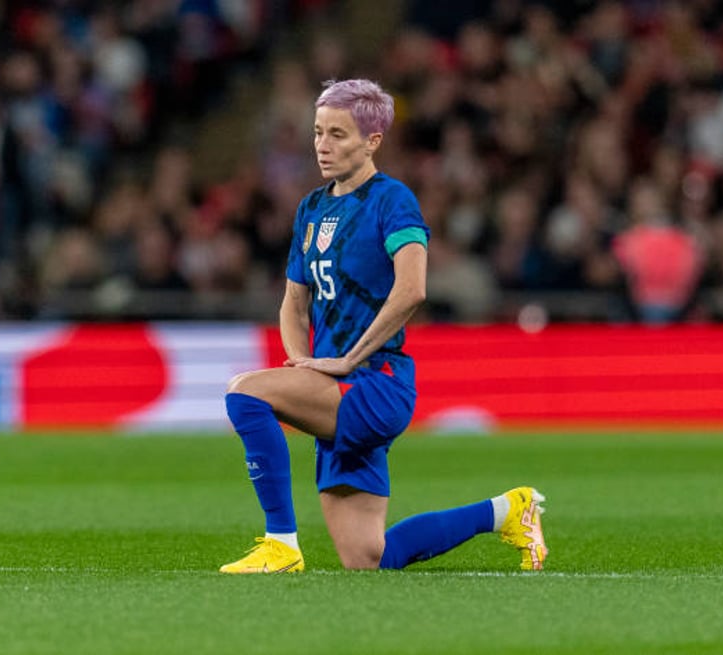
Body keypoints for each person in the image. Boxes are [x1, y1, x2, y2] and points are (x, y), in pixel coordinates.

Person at [220, 79, 548, 573]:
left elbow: (412, 288)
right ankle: (507, 511)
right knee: (368, 558)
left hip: (376, 383)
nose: (322, 146)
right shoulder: (312, 208)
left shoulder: (392, 201)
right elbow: (293, 302)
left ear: (372, 141)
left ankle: (280, 544)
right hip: (334, 383)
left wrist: (347, 361)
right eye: (317, 132)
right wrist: (301, 363)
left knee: (245, 392)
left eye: (338, 135)